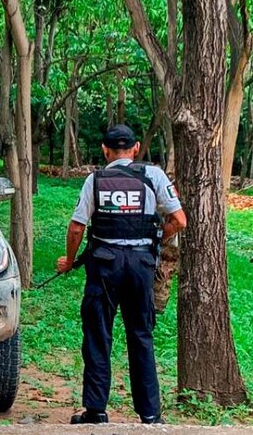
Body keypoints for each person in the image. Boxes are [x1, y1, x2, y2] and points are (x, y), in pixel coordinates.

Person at [56, 124, 187, 425]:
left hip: (104, 266)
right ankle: (150, 415)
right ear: (136, 148)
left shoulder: (95, 180)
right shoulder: (154, 176)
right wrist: (157, 237)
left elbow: (76, 227)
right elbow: (179, 220)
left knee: (98, 335)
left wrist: (69, 261)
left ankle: (95, 411)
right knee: (141, 335)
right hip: (141, 266)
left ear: (105, 150)